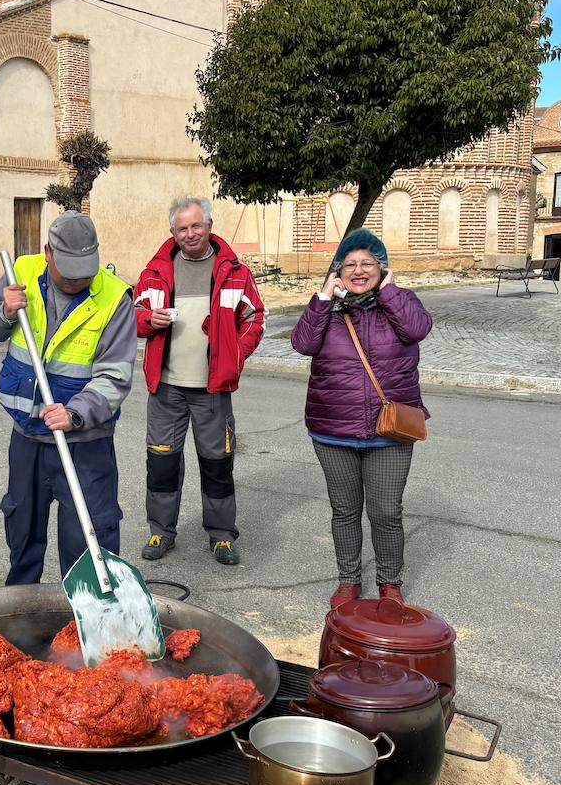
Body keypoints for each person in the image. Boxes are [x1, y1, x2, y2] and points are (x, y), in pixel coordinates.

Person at [0, 211, 135, 585]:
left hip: (84, 444)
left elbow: (115, 376)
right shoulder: (21, 274)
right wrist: (3, 312)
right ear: (48, 253)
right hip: (27, 437)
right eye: (69, 272)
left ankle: (87, 626)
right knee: (23, 535)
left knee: (88, 544)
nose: (78, 280)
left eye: (85, 272)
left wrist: (76, 413)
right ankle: (22, 621)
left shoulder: (114, 297)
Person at [289, 228, 433, 609]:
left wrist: (389, 292)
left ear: (382, 268)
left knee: (386, 511)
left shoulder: (401, 303)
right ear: (338, 272)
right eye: (349, 264)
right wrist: (323, 296)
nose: (358, 270)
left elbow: (418, 329)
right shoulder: (327, 309)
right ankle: (348, 579)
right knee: (345, 510)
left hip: (390, 431)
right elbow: (302, 344)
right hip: (332, 429)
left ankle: (389, 583)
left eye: (367, 263)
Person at [134, 197, 266, 567]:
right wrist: (148, 321)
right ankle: (161, 530)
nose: (189, 234)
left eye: (195, 226)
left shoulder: (234, 271)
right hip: (166, 389)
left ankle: (222, 536)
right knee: (161, 464)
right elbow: (135, 314)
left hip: (212, 390)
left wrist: (233, 355)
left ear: (209, 225)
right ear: (172, 232)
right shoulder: (156, 270)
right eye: (181, 228)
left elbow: (255, 318)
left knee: (218, 465)